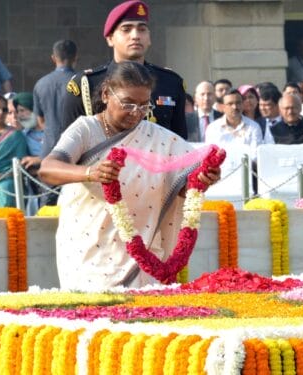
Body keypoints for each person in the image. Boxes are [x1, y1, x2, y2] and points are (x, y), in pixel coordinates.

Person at [39, 61, 220, 289]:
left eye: (144, 106)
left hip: (144, 251)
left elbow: (180, 186)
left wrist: (202, 180)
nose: (136, 113)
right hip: (89, 251)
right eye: (128, 103)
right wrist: (90, 172)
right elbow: (48, 168)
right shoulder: (86, 129)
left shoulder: (158, 137)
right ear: (106, 94)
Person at [61, 0, 187, 139]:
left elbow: (180, 142)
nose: (135, 36)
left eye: (142, 29)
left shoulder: (171, 82)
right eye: (126, 29)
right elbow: (68, 146)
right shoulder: (85, 85)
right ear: (110, 39)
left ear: (149, 38)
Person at [34, 39, 77, 159]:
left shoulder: (40, 83)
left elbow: (40, 121)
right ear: (76, 57)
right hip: (75, 146)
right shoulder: (82, 81)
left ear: (53, 58)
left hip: (49, 147)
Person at [204, 88, 267, 159]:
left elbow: (255, 156)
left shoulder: (253, 127)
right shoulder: (213, 128)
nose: (235, 107)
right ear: (223, 107)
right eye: (230, 104)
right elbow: (210, 155)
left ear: (242, 104)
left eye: (238, 103)